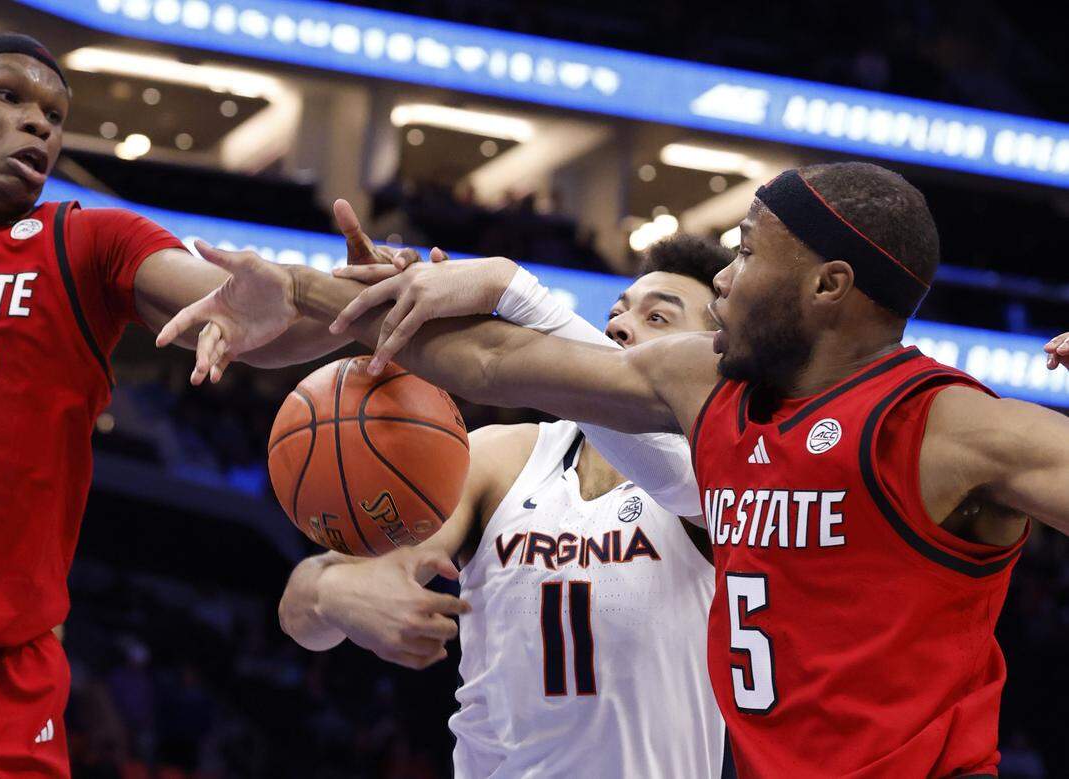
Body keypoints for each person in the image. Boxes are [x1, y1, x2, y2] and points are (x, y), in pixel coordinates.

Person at [163, 161, 1069, 778]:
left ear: (828, 285)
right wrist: (297, 289)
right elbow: (487, 363)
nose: (725, 279)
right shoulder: (702, 389)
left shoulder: (954, 429)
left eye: (747, 251)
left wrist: (511, 281)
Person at [0, 33, 362, 778]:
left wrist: (346, 302)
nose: (39, 123)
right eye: (8, 95)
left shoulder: (84, 238)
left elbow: (238, 315)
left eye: (54, 114)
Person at [277, 235, 732, 778]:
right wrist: (333, 592)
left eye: (658, 318)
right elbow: (301, 611)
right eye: (615, 312)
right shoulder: (501, 457)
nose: (618, 326)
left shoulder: (724, 476)